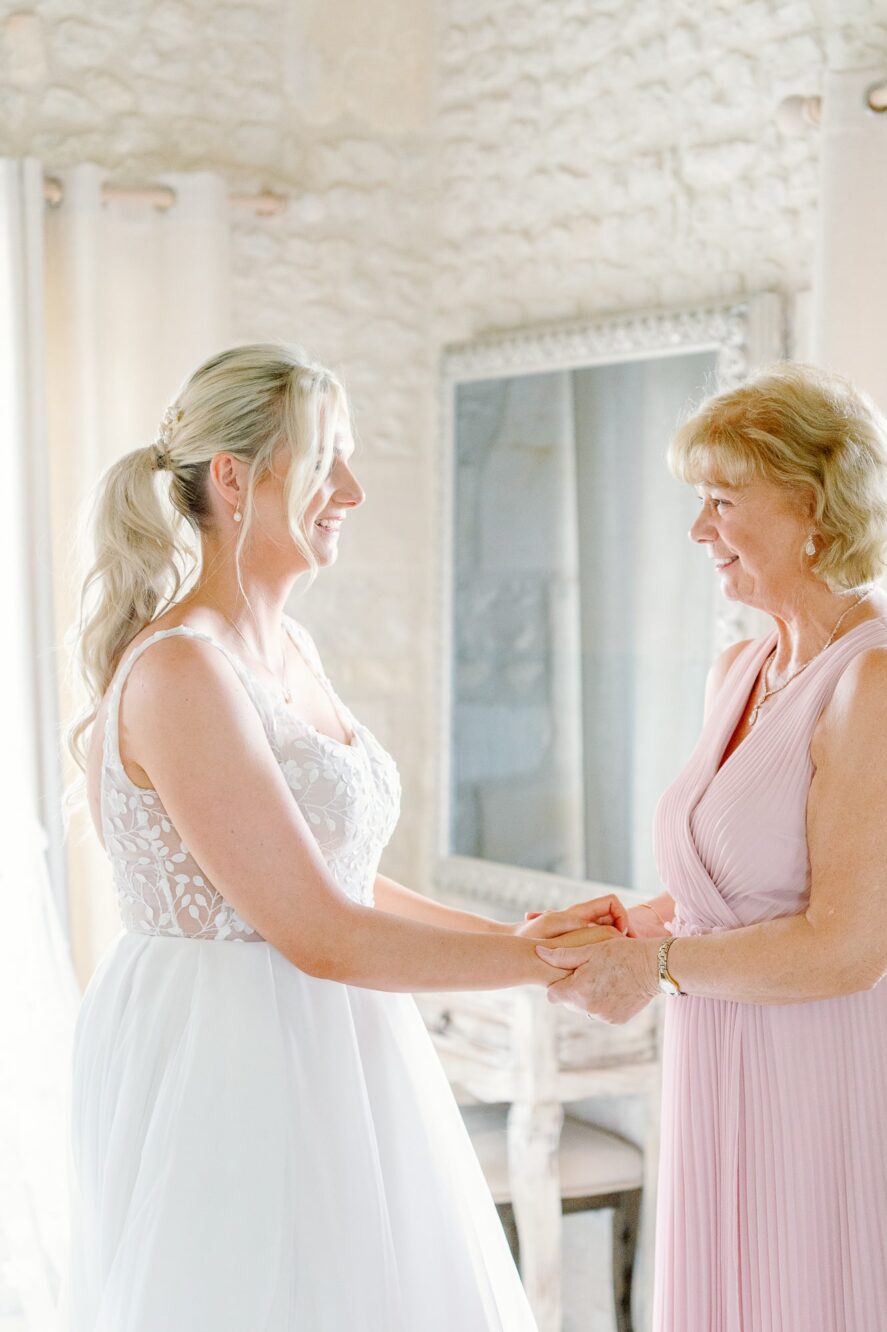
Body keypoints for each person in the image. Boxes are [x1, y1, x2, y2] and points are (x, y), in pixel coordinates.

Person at [60, 343, 619, 1331]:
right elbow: (319, 931)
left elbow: (339, 879)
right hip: (228, 1053)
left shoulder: (291, 648)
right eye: (327, 460)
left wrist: (522, 932)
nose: (352, 490)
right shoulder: (183, 672)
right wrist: (540, 963)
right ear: (234, 479)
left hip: (340, 1040)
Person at [536, 362, 887, 1331]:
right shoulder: (743, 667)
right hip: (736, 1041)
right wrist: (639, 922)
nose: (698, 531)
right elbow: (753, 883)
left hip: (854, 1061)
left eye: (720, 501)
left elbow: (848, 945)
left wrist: (654, 967)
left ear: (814, 505)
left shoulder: (885, 684)